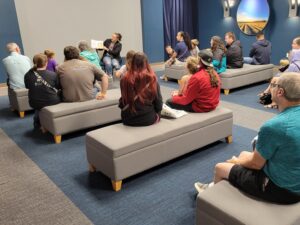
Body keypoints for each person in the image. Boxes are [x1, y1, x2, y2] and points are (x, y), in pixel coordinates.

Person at [194, 72, 300, 204]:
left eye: (273, 85)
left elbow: (256, 164)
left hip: (284, 191)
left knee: (220, 167)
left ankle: (211, 202)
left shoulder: (274, 126)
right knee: (244, 154)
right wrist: (242, 159)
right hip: (293, 176)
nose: (271, 87)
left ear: (280, 92)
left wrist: (236, 161)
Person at [119, 52, 163, 126]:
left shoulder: (125, 79)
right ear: (146, 64)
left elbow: (123, 101)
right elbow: (158, 105)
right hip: (147, 118)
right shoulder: (152, 79)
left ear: (132, 63)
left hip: (127, 119)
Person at [259, 37, 300, 108]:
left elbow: (288, 74)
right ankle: (268, 93)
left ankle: (273, 101)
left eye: (293, 43)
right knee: (275, 78)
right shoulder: (296, 58)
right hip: (294, 75)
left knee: (275, 80)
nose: (292, 45)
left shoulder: (294, 63)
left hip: (294, 79)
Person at [24, 53, 61, 128]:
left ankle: (37, 119)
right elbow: (58, 87)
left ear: (34, 62)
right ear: (46, 63)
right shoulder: (53, 74)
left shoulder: (27, 75)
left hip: (34, 102)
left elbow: (27, 87)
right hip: (52, 101)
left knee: (39, 104)